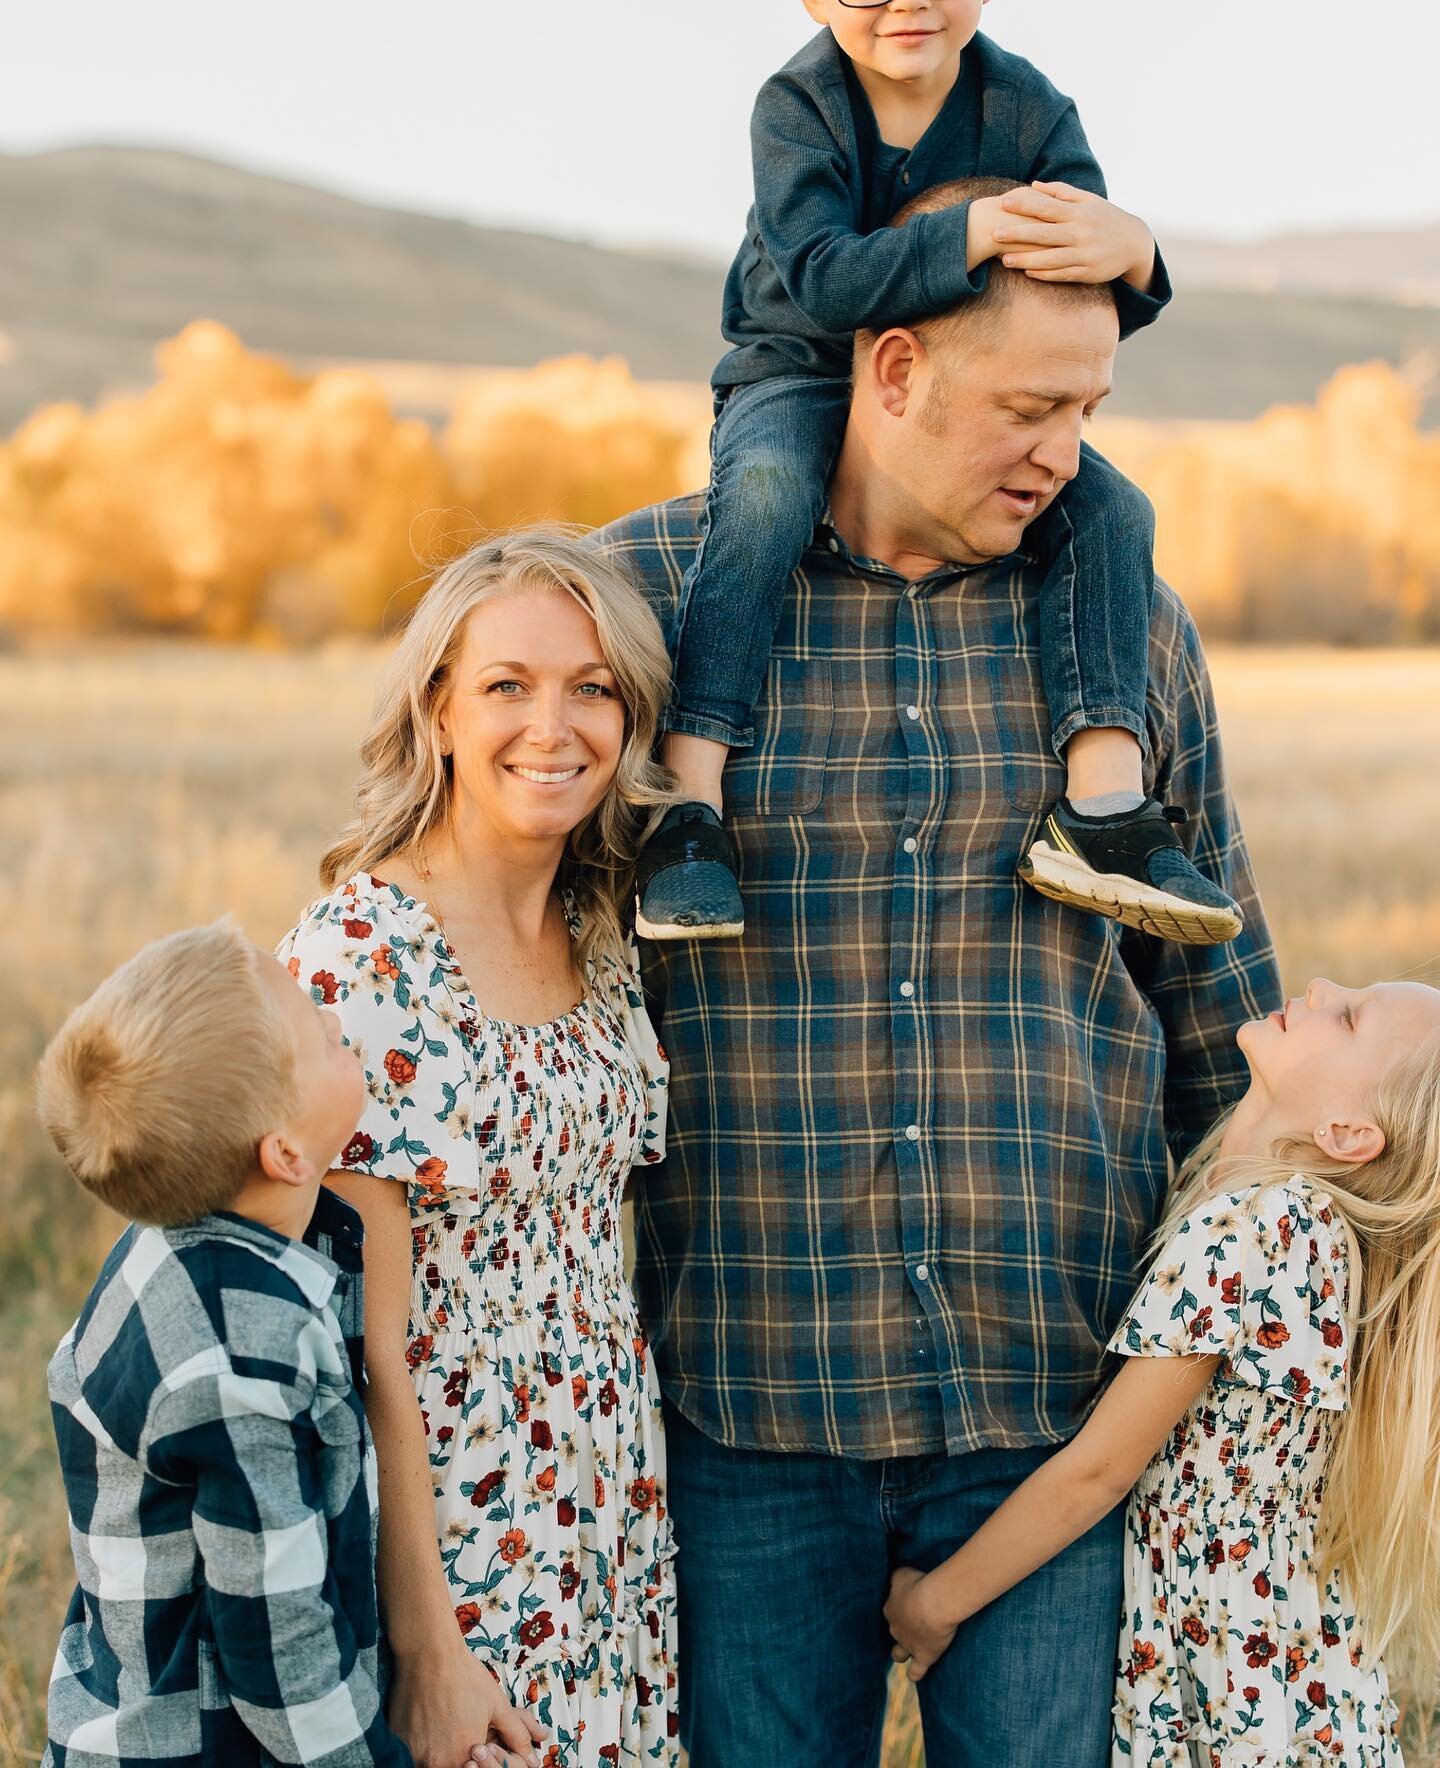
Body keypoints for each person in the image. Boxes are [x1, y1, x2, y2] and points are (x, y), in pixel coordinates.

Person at [597, 191, 1284, 1768]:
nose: (1065, 451)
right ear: (890, 370)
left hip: (1052, 1394)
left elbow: (1219, 1004)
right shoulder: (649, 599)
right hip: (749, 1385)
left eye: (1089, 409)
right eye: (1029, 406)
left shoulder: (1129, 638)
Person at [635, 0, 1242, 950]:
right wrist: (977, 230)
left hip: (957, 387)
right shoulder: (797, 108)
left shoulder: (1030, 109)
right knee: (766, 498)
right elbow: (826, 280)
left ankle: (1101, 806)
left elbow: (1063, 298)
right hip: (800, 359)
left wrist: (1135, 251)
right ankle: (689, 806)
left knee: (1118, 515)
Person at [280, 529, 679, 1768]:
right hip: (461, 1531)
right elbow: (370, 1353)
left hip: (613, 1508)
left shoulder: (604, 929)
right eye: (507, 684)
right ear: (438, 710)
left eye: (593, 687)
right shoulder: (362, 958)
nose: (551, 727)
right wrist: (427, 1649)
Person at [884, 976, 1440, 1765]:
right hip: (1278, 1654)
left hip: (1231, 1671)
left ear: (1348, 1132)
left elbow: (1100, 1470)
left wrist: (935, 1605)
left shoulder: (1255, 1229)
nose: (1319, 986)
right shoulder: (1285, 1218)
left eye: (1348, 1016)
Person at [33, 919, 427, 1767]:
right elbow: (277, 1641)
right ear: (284, 1151)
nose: (332, 1015)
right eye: (316, 1034)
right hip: (201, 1745)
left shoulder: (166, 1254)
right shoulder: (236, 1357)